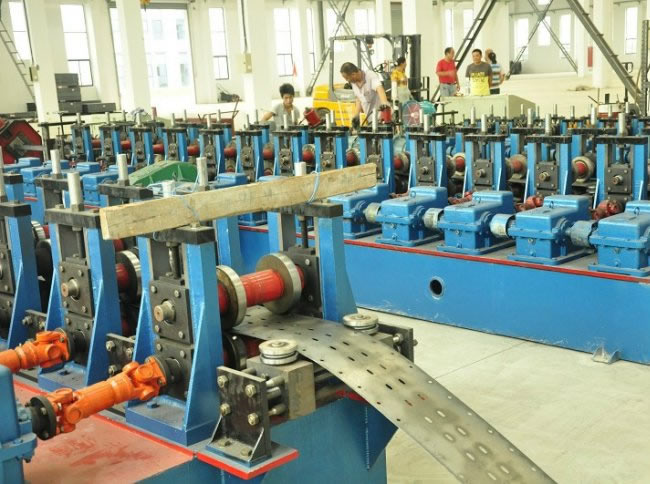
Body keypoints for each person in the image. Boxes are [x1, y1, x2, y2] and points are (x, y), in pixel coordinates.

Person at [340, 62, 390, 128]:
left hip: (382, 118)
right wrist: (356, 116)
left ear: (353, 74)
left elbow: (380, 89)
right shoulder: (354, 83)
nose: (347, 81)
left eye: (347, 78)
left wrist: (384, 104)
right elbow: (358, 100)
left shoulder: (369, 75)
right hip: (371, 120)